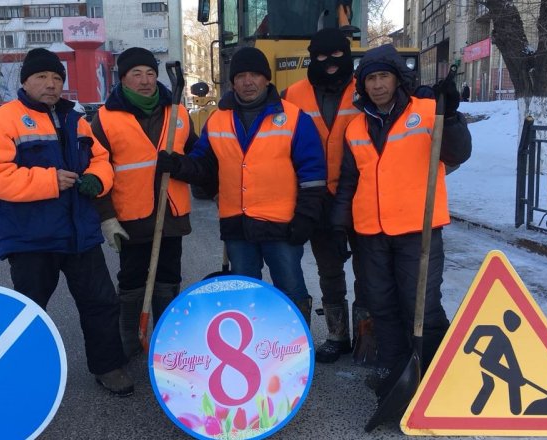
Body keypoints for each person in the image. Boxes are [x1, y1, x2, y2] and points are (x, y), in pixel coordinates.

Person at [0, 48, 133, 397]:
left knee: (101, 303)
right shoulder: (3, 120)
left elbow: (101, 160)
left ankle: (108, 367)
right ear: (25, 81)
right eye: (42, 77)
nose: (51, 84)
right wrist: (48, 181)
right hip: (31, 237)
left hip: (80, 233)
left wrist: (97, 179)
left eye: (57, 78)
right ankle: (21, 376)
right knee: (29, 311)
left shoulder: (76, 119)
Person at [331, 44, 472, 397]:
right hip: (371, 233)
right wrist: (338, 225)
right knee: (382, 306)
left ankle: (439, 378)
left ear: (397, 79)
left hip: (417, 231)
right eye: (371, 79)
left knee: (421, 306)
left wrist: (450, 117)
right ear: (362, 85)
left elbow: (458, 152)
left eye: (384, 77)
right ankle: (396, 378)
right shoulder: (355, 127)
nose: (377, 85)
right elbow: (349, 181)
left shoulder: (427, 111)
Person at [158, 47, 327, 324]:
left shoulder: (295, 118)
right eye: (241, 76)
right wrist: (178, 165)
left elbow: (313, 174)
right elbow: (204, 166)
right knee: (244, 295)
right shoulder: (218, 119)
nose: (248, 82)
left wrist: (306, 217)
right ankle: (254, 347)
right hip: (237, 226)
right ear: (233, 82)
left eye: (254, 75)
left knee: (291, 291)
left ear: (266, 79)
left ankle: (297, 344)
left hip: (282, 226)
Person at [89, 47, 198, 358]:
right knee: (132, 280)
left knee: (168, 278)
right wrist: (107, 217)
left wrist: (180, 166)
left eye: (150, 73)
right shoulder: (105, 119)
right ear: (123, 79)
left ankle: (166, 339)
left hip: (171, 214)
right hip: (131, 217)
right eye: (136, 74)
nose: (145, 80)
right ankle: (130, 338)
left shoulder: (177, 113)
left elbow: (199, 160)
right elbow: (97, 168)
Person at [281, 28, 366, 364]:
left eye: (337, 55)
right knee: (329, 270)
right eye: (320, 57)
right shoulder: (292, 94)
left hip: (362, 194)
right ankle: (337, 335)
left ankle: (367, 337)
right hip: (317, 195)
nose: (329, 63)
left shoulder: (366, 87)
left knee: (367, 269)